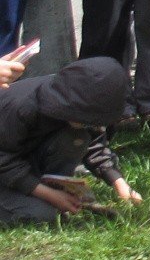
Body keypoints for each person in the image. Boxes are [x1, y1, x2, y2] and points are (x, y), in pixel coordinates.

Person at [0, 57, 140, 223]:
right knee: (42, 215)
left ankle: (53, 194)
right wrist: (50, 196)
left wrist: (119, 183)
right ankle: (44, 200)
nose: (89, 124)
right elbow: (4, 161)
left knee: (77, 137)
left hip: (24, 162)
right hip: (5, 168)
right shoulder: (20, 107)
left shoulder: (77, 100)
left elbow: (94, 143)